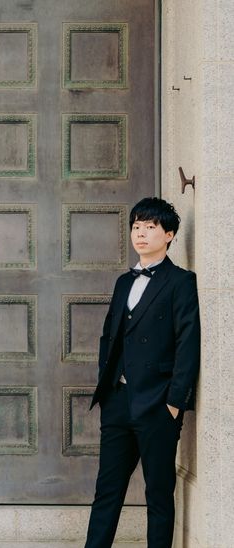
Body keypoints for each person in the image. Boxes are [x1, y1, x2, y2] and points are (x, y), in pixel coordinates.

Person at [85, 197, 200, 548]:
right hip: (119, 403)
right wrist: (108, 387)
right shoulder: (124, 282)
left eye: (150, 227)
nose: (141, 233)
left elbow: (188, 344)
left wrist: (174, 404)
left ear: (169, 235)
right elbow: (109, 336)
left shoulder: (181, 282)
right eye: (137, 226)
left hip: (158, 405)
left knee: (159, 495)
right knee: (107, 492)